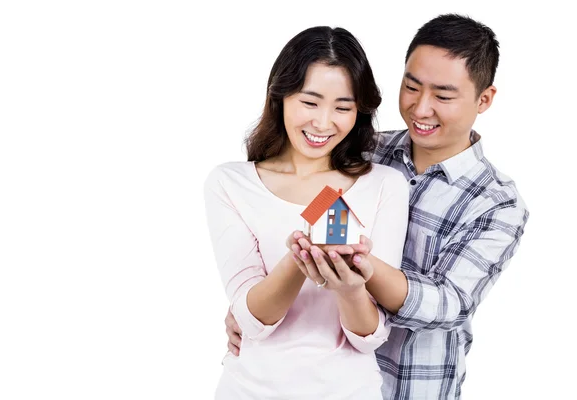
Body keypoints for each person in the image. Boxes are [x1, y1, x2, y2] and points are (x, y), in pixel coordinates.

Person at [224, 14, 530, 399]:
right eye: (411, 86)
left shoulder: (498, 204)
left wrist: (358, 268)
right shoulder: (360, 152)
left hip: (413, 385)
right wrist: (250, 305)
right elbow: (272, 217)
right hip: (319, 384)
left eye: (443, 96)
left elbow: (448, 304)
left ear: (483, 99)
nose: (421, 108)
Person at [204, 26, 410, 399]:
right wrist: (297, 261)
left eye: (342, 107)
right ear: (280, 96)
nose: (322, 122)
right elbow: (250, 320)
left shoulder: (385, 184)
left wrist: (350, 289)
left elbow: (370, 338)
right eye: (309, 102)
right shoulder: (230, 182)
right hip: (249, 389)